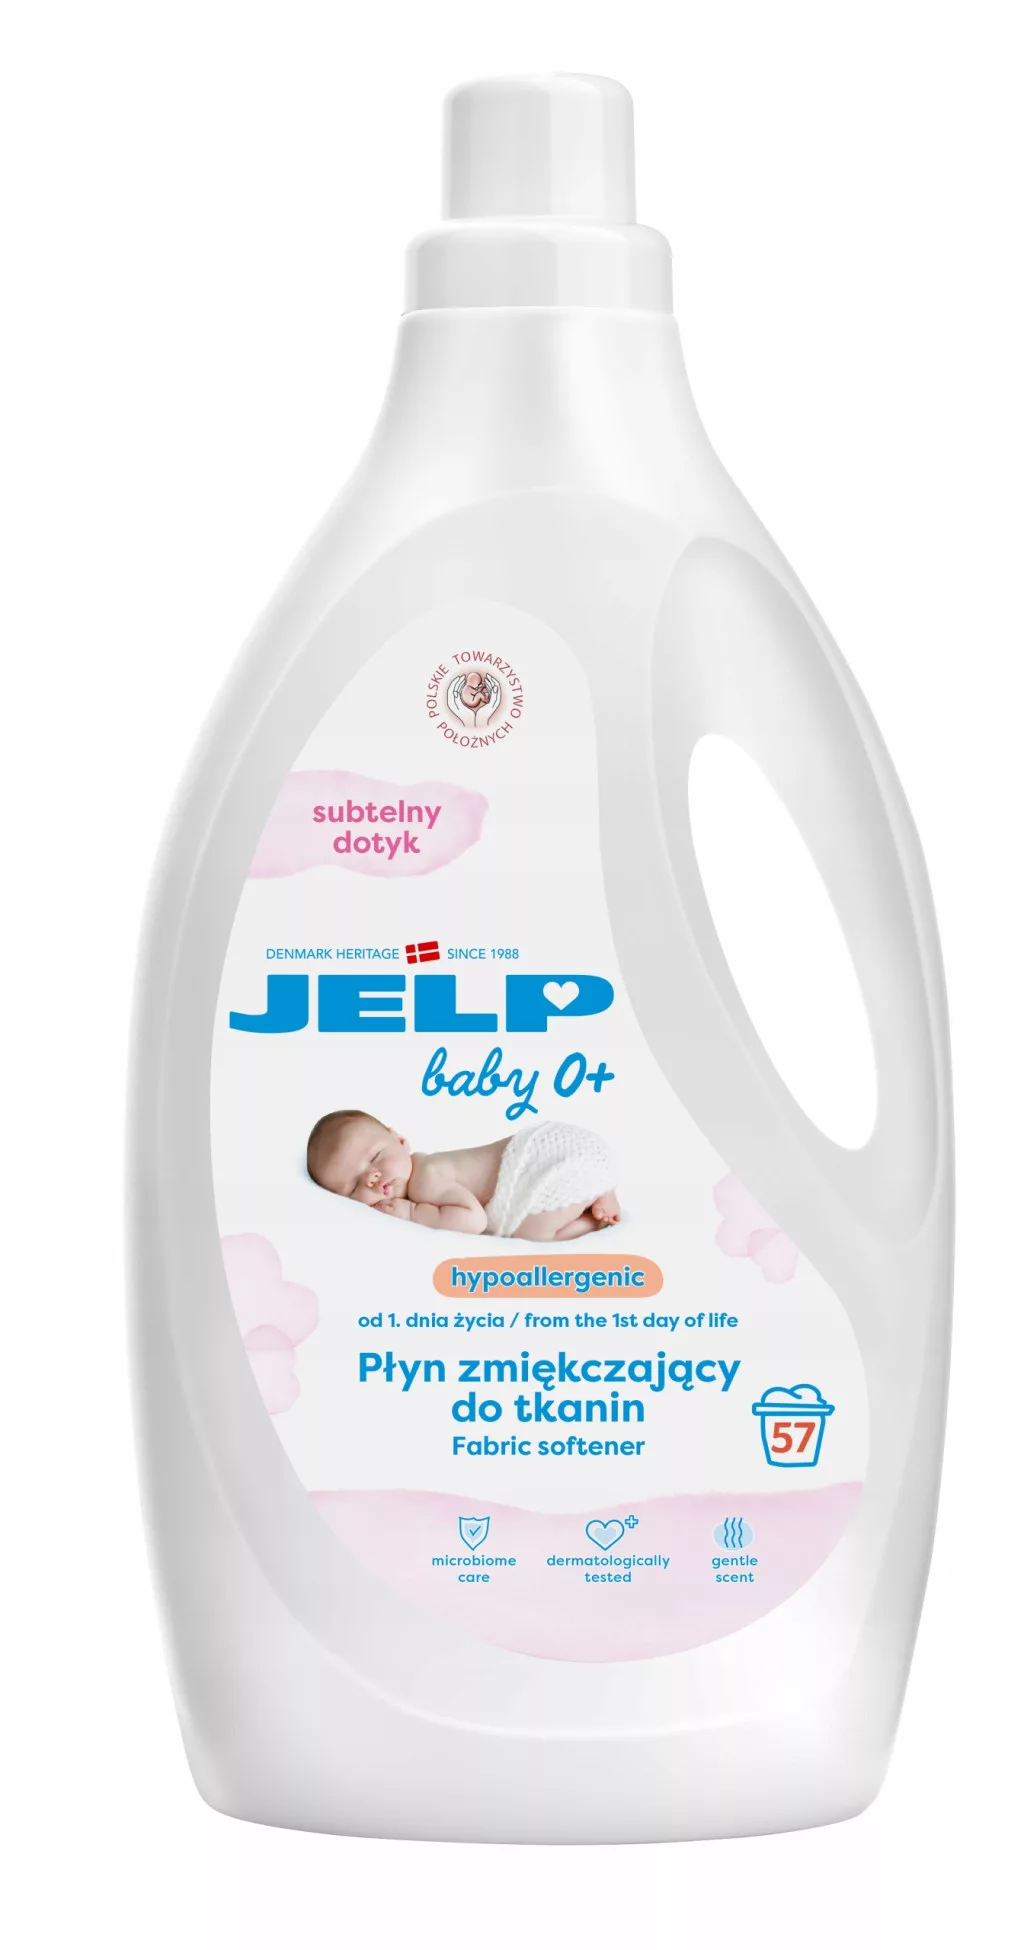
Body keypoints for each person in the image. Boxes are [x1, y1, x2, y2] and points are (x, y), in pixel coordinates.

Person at [307, 1109, 621, 1240]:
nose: (372, 1178)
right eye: (354, 1186)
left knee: (532, 1235)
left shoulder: (426, 1177)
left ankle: (593, 1217)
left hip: (546, 1157)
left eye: (376, 1157)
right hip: (568, 1147)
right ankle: (599, 1189)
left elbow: (474, 1221)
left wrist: (413, 1213)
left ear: (400, 1141)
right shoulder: (427, 1170)